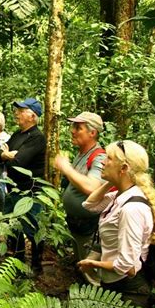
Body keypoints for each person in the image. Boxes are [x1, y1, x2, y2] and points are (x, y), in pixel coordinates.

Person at [77, 140, 155, 308]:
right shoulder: (121, 195)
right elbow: (89, 205)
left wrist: (92, 263)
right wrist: (111, 180)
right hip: (113, 282)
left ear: (123, 168)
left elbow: (125, 265)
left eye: (109, 158)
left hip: (127, 289)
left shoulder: (131, 208)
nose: (102, 161)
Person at [0, 98, 46, 271]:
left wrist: (7, 155)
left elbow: (19, 162)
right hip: (12, 189)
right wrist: (7, 154)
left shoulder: (37, 138)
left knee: (33, 229)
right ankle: (17, 262)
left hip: (29, 193)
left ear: (32, 116)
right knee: (12, 227)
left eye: (21, 110)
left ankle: (37, 266)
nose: (16, 113)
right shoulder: (18, 134)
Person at [54, 112, 106, 284]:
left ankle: (97, 304)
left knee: (91, 270)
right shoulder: (81, 154)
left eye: (78, 128)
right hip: (76, 223)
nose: (72, 131)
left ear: (92, 133)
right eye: (73, 127)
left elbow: (92, 187)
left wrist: (66, 168)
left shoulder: (99, 157)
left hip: (89, 226)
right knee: (81, 265)